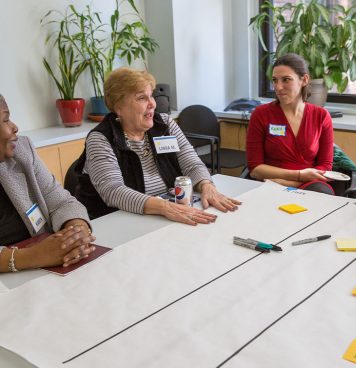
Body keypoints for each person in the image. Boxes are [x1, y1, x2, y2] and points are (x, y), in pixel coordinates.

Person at [76, 67, 240, 224]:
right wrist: (164, 207)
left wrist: (206, 185)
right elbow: (113, 192)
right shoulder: (101, 139)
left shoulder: (165, 124)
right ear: (119, 108)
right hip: (119, 221)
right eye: (141, 98)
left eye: (151, 96)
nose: (152, 104)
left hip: (162, 215)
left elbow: (191, 162)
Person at [0, 95, 95, 273]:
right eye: (6, 119)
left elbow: (61, 201)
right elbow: (39, 255)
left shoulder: (22, 150)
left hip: (44, 270)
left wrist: (76, 232)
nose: (14, 127)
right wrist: (34, 256)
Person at [246, 53, 334, 194]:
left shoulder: (321, 116)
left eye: (286, 80)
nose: (278, 87)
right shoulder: (261, 114)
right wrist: (298, 175)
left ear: (304, 80)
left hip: (308, 184)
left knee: (321, 195)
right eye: (275, 80)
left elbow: (325, 167)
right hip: (269, 182)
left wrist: (291, 183)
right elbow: (255, 169)